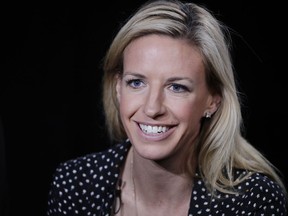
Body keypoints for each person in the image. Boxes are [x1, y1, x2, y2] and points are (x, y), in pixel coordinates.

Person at [46, 0, 287, 215]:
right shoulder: (75, 183)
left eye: (177, 87)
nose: (152, 108)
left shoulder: (253, 201)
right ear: (118, 87)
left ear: (212, 100)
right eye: (137, 82)